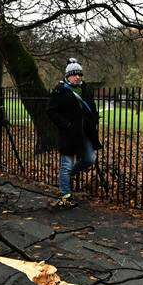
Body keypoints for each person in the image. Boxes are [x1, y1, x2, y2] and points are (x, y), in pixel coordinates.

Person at [48, 60, 100, 205]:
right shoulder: (60, 90)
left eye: (79, 74)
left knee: (89, 159)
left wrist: (94, 119)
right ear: (68, 76)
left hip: (85, 132)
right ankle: (66, 196)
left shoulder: (86, 89)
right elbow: (51, 111)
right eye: (74, 74)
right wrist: (66, 124)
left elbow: (92, 107)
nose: (77, 77)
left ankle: (68, 176)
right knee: (66, 164)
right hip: (69, 134)